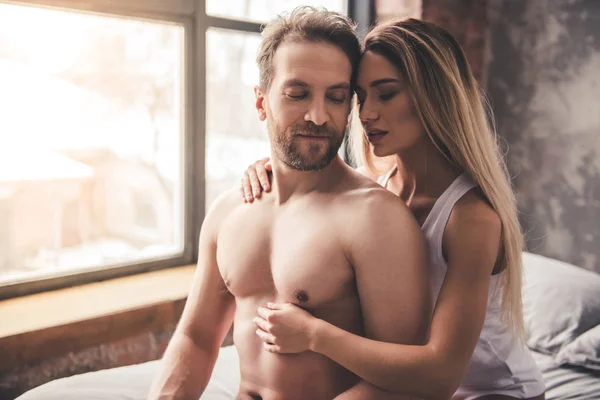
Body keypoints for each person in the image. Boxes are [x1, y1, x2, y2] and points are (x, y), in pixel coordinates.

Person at [240, 18, 546, 400]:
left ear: (433, 96)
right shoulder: (378, 190)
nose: (366, 114)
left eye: (386, 95)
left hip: (490, 391)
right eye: (360, 97)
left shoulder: (471, 219)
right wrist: (271, 168)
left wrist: (315, 336)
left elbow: (440, 375)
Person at [148, 8, 432, 400]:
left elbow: (403, 385)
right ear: (261, 102)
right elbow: (197, 339)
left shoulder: (375, 218)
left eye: (336, 98)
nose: (318, 116)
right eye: (298, 94)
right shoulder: (229, 212)